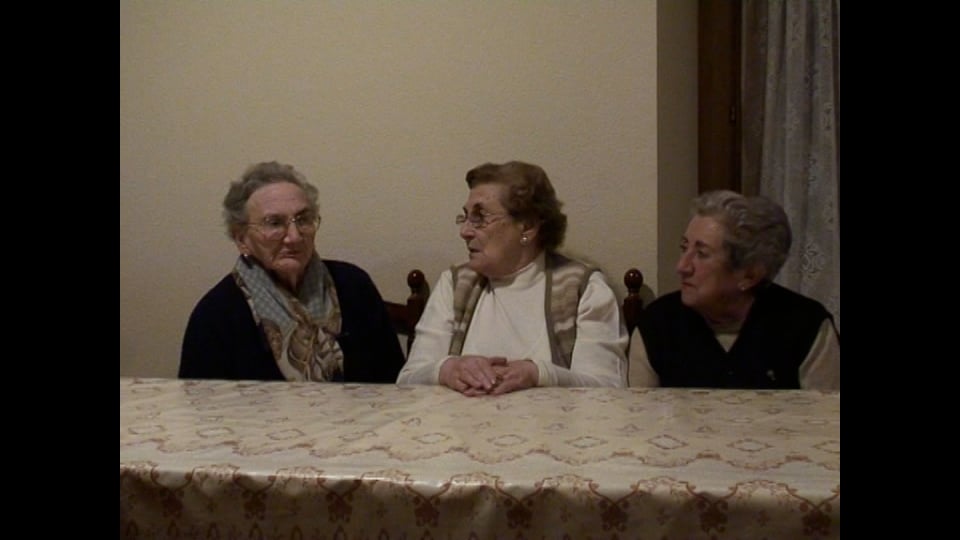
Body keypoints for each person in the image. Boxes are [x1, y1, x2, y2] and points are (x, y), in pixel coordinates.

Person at [396, 161, 628, 396]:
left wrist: (538, 374)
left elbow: (609, 390)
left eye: (480, 217)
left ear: (527, 227)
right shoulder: (455, 284)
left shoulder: (583, 288)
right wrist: (447, 369)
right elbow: (407, 380)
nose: (464, 231)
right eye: (465, 217)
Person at [179, 161, 405, 382]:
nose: (294, 237)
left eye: (303, 220)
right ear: (241, 239)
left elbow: (394, 383)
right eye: (274, 223)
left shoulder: (354, 286)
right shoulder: (216, 314)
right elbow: (201, 403)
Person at [629, 190, 839, 390]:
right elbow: (639, 412)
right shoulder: (656, 325)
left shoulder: (806, 326)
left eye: (701, 254)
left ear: (749, 275)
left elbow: (826, 412)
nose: (682, 267)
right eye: (684, 248)